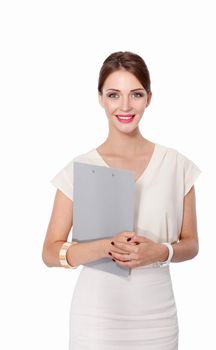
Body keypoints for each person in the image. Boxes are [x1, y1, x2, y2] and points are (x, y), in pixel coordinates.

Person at [42, 51, 201, 350]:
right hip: (96, 318)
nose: (125, 106)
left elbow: (191, 244)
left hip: (157, 317)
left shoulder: (176, 165)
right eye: (114, 94)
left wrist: (160, 251)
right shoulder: (80, 168)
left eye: (136, 94)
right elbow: (50, 252)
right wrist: (103, 247)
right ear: (101, 98)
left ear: (149, 98)